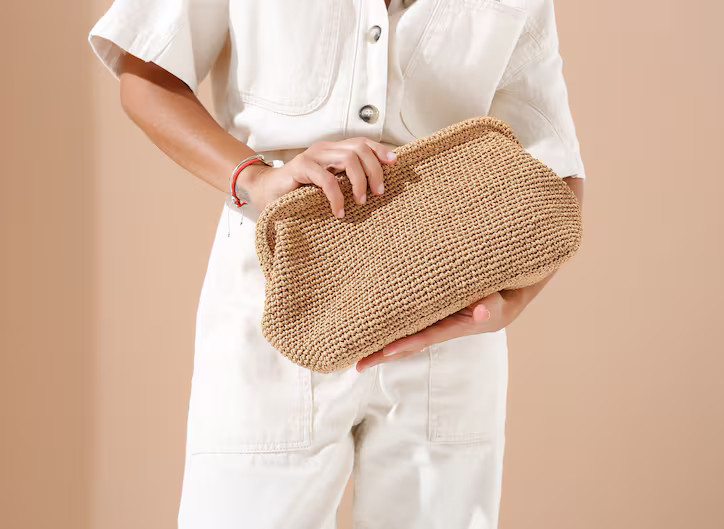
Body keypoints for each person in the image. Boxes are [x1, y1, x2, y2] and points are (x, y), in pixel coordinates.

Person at [87, 0, 586, 527]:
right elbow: (145, 74)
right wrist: (253, 178)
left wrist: (514, 301)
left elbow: (557, 165)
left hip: (448, 321)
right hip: (278, 290)